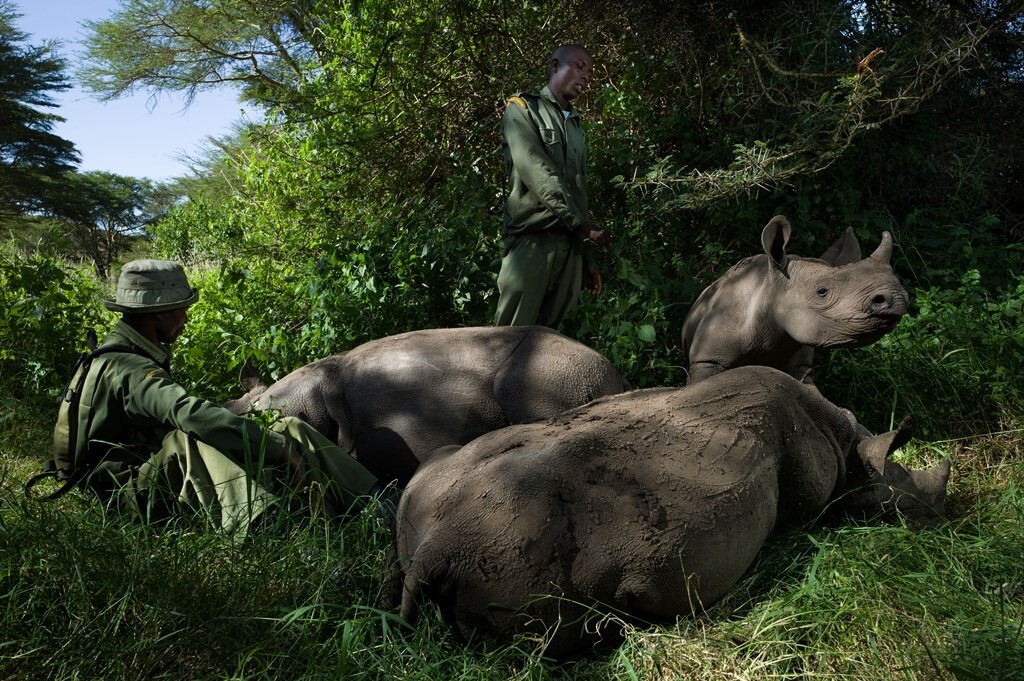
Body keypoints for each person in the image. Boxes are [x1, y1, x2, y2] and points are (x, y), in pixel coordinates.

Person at [49, 259, 386, 537]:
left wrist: (276, 439)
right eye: (181, 309)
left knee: (290, 428)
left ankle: (380, 504)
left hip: (140, 475)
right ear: (158, 314)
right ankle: (270, 530)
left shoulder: (123, 355)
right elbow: (189, 415)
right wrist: (275, 450)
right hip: (122, 495)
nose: (185, 318)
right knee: (191, 438)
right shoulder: (130, 369)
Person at [493, 43, 610, 329]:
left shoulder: (576, 125)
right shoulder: (522, 109)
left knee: (555, 347)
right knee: (509, 340)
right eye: (580, 67)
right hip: (532, 242)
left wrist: (585, 256)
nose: (586, 77)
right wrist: (583, 226)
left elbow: (579, 192)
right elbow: (536, 169)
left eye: (590, 73)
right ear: (556, 65)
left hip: (570, 248)